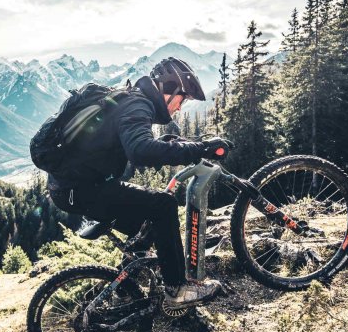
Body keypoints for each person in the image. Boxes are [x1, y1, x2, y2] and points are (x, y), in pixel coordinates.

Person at [47, 57, 230, 308]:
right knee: (163, 205)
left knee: (144, 226)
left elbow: (126, 142)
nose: (180, 107)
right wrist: (201, 148)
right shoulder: (138, 105)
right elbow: (140, 149)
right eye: (182, 99)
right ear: (169, 90)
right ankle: (178, 290)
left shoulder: (131, 99)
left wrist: (176, 145)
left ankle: (123, 292)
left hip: (73, 186)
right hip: (80, 189)